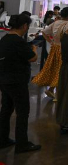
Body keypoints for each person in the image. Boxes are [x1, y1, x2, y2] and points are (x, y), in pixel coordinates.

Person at [0, 13, 41, 153]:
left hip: (4, 79)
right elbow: (33, 58)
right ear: (24, 26)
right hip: (17, 81)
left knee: (6, 110)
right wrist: (34, 49)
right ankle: (22, 144)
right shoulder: (18, 41)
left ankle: (3, 139)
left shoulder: (5, 39)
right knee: (23, 111)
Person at [33, 7, 68, 100]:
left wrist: (50, 41)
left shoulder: (55, 23)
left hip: (54, 48)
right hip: (63, 49)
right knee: (61, 70)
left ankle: (52, 89)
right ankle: (58, 93)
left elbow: (44, 32)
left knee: (54, 69)